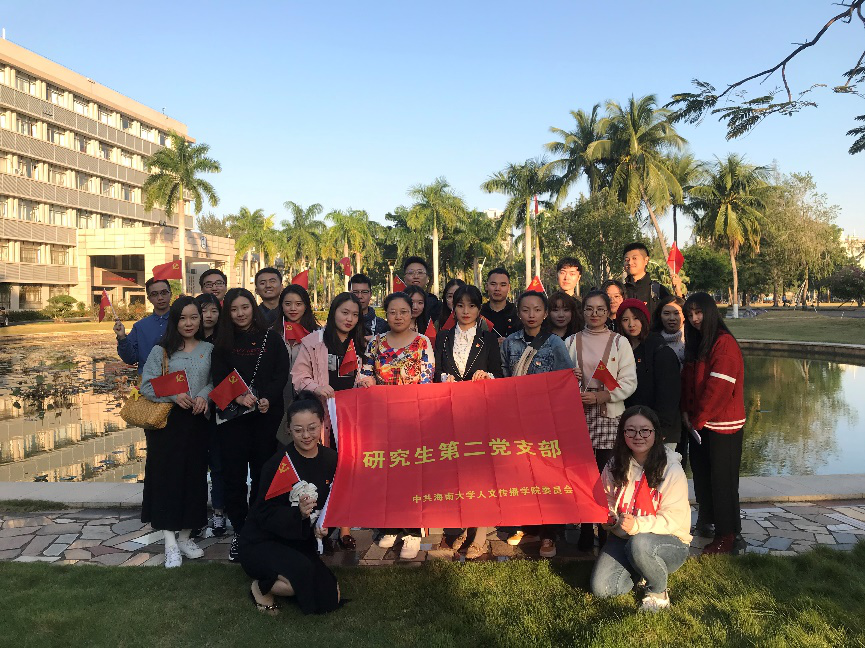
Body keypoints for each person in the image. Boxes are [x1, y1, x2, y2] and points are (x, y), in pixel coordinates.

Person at [240, 392, 341, 615]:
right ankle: (260, 588)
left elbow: (334, 503)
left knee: (331, 595)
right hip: (262, 541)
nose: (306, 436)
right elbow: (262, 513)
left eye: (312, 428)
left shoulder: (332, 459)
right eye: (298, 430)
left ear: (322, 424)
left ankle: (290, 574)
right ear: (288, 429)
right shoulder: (277, 464)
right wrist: (299, 515)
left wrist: (325, 527)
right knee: (297, 582)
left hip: (299, 541)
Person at [212, 288, 290, 562]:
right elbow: (218, 376)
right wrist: (238, 396)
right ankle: (240, 529)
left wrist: (267, 397)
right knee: (233, 477)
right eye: (234, 309)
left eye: (244, 307)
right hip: (232, 420)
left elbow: (281, 373)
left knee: (262, 474)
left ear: (253, 308)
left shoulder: (271, 338)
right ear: (228, 313)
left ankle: (258, 525)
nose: (240, 313)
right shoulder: (222, 342)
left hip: (264, 417)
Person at [590, 406, 692, 612]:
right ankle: (640, 570)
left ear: (656, 433)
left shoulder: (672, 469)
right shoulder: (614, 465)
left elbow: (674, 520)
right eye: (631, 430)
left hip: (668, 542)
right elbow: (606, 499)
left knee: (640, 543)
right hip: (623, 537)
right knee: (603, 589)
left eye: (645, 430)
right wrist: (609, 516)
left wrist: (637, 525)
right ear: (622, 434)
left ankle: (658, 591)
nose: (638, 436)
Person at [357, 292, 434, 559]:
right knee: (386, 472)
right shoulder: (376, 343)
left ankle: (412, 531)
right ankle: (389, 525)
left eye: (403, 311)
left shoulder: (422, 342)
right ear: (385, 314)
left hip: (413, 419)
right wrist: (367, 383)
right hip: (382, 418)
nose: (398, 317)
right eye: (392, 312)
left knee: (412, 474)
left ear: (412, 313)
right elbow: (365, 373)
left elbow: (427, 379)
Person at [139, 296, 213, 568]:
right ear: (174, 321)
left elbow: (213, 381)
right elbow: (147, 385)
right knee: (167, 480)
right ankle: (170, 541)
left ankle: (185, 537)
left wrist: (204, 395)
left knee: (194, 479)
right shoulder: (162, 350)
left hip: (196, 423)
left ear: (200, 320)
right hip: (167, 425)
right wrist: (173, 395)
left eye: (194, 317)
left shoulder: (209, 349)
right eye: (182, 318)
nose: (189, 323)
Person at [501, 290, 573, 558]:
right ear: (518, 313)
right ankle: (529, 526)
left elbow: (565, 381)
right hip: (518, 419)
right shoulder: (510, 343)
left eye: (537, 310)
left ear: (545, 314)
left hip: (547, 420)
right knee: (522, 473)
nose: (531, 315)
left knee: (548, 475)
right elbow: (504, 379)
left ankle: (549, 534)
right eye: (525, 310)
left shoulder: (555, 343)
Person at [566, 290, 637, 553]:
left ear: (608, 312)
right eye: (589, 309)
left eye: (600, 309)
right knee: (582, 475)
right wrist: (570, 378)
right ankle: (586, 528)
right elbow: (559, 377)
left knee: (608, 475)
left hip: (610, 415)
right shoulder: (571, 341)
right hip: (578, 415)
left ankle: (605, 529)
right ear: (582, 311)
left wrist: (603, 397)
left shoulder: (619, 343)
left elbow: (629, 382)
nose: (594, 314)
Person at [433, 284, 502, 559]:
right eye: (460, 305)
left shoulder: (488, 339)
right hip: (449, 412)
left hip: (479, 413)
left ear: (479, 309)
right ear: (453, 307)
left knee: (480, 472)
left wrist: (487, 376)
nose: (465, 311)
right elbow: (435, 372)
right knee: (455, 472)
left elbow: (498, 373)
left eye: (471, 306)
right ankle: (461, 528)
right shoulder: (443, 337)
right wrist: (443, 379)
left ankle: (480, 534)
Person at [291, 292, 362, 550]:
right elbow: (299, 377)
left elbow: (367, 373)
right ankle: (320, 527)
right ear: (333, 313)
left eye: (355, 314)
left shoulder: (361, 343)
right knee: (323, 472)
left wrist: (366, 381)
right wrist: (317, 387)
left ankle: (345, 528)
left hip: (351, 420)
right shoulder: (314, 342)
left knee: (347, 470)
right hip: (322, 420)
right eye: (344, 312)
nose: (349, 319)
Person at [681, 292, 746, 555]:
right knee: (704, 477)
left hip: (723, 425)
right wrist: (687, 412)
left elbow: (718, 388)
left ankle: (727, 536)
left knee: (723, 482)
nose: (694, 319)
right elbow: (689, 381)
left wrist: (697, 418)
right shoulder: (699, 342)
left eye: (699, 313)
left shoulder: (724, 343)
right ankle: (711, 523)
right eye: (690, 315)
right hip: (701, 423)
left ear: (710, 312)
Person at [617, 299, 681, 449]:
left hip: (660, 429)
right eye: (625, 320)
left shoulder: (660, 349)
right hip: (632, 427)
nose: (631, 324)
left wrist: (661, 428)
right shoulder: (619, 349)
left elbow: (670, 393)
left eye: (636, 318)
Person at [193, 292, 227, 537]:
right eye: (203, 311)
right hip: (192, 411)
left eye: (214, 311)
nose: (209, 315)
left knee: (218, 465)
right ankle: (194, 515)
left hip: (219, 411)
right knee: (194, 466)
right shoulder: (186, 340)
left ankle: (218, 513)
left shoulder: (225, 340)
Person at [274, 284, 321, 443]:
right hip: (277, 401)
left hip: (308, 400)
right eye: (288, 304)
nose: (293, 308)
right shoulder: (272, 334)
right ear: (281, 306)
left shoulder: (318, 334)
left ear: (306, 306)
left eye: (298, 304)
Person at [115, 277, 172, 375]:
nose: (160, 298)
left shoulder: (182, 322)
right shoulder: (140, 327)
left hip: (178, 380)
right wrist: (122, 337)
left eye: (164, 292)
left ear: (170, 294)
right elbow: (130, 359)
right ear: (149, 298)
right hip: (148, 380)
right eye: (154, 294)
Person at [622, 243, 670, 316]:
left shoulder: (659, 290)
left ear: (646, 260)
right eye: (626, 260)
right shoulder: (621, 291)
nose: (630, 263)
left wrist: (678, 291)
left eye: (634, 258)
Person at [480, 267, 522, 341]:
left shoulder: (517, 314)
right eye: (493, 284)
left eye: (503, 285)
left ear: (509, 288)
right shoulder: (478, 314)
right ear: (486, 286)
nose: (497, 289)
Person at [349, 273, 388, 341]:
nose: (360, 296)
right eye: (355, 292)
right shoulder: (343, 323)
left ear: (370, 294)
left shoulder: (383, 326)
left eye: (364, 292)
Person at [403, 256, 442, 324]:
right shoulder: (397, 301)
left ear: (427, 279)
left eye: (420, 273)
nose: (416, 276)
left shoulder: (436, 305)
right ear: (404, 279)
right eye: (411, 273)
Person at [652, 295, 686, 365]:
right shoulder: (652, 341)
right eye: (666, 314)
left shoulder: (693, 339)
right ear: (659, 315)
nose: (672, 318)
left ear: (684, 315)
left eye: (676, 313)